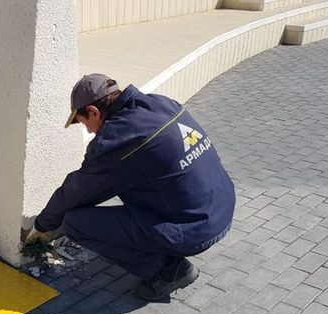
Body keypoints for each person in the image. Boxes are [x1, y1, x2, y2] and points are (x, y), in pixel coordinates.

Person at [26, 73, 235, 301]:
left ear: (94, 112)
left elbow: (76, 191)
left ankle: (170, 271)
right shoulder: (160, 103)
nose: (88, 131)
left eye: (83, 123)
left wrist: (42, 226)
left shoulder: (118, 140)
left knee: (76, 224)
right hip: (221, 207)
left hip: (194, 229)